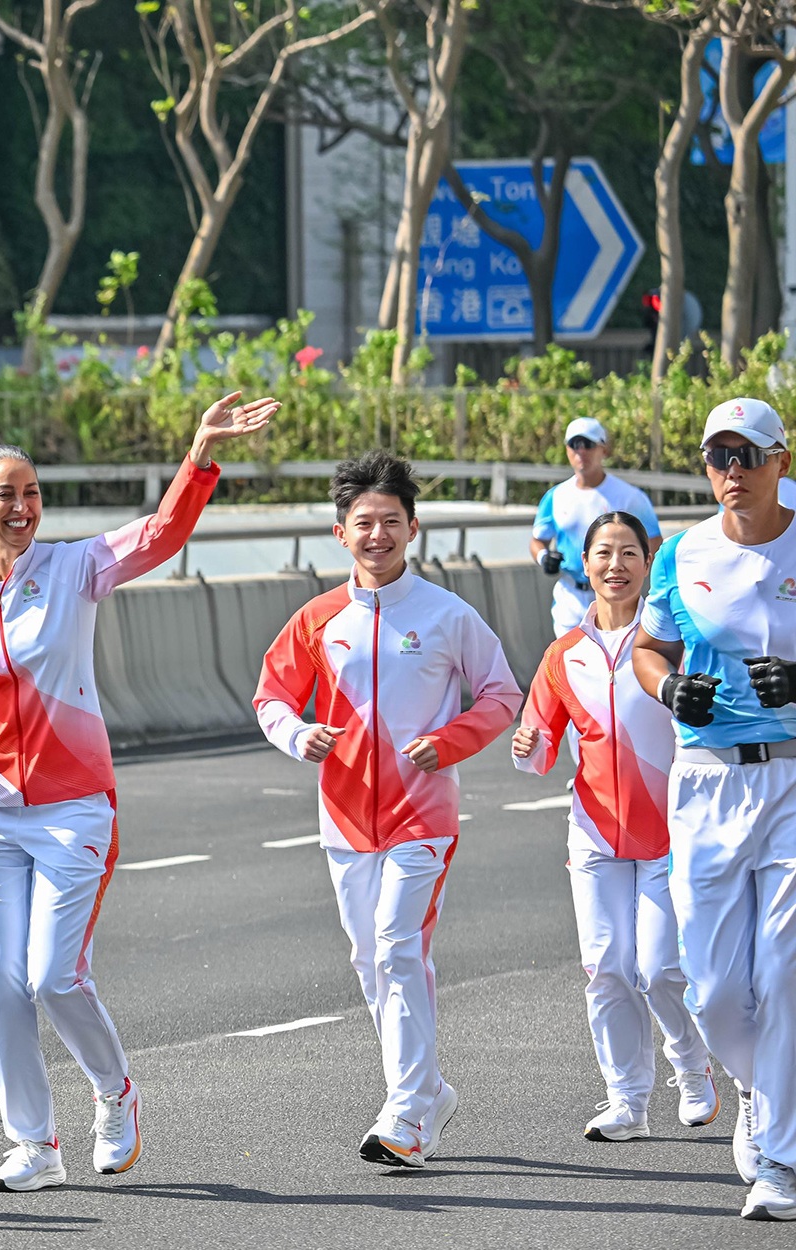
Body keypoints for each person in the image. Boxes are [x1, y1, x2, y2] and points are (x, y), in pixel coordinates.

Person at [0, 392, 280, 1193]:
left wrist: (199, 453)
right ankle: (34, 1145)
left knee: (54, 977)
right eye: (6, 494)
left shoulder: (74, 568)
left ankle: (114, 1092)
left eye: (33, 492)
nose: (23, 507)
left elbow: (161, 534)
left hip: (73, 809)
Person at [255, 450, 521, 1169]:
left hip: (421, 815)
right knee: (370, 958)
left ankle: (405, 1113)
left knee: (399, 947)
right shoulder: (319, 619)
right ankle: (429, 1090)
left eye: (392, 522)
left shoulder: (446, 615)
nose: (378, 535)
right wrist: (298, 734)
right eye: (364, 523)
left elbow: (502, 694)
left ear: (413, 528)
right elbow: (271, 697)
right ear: (341, 533)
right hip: (343, 816)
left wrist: (450, 741)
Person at [633, 397, 796, 1221]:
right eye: (717, 457)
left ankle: (782, 1162)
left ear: (781, 461)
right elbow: (648, 647)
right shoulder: (681, 552)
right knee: (714, 990)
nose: (732, 471)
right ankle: (763, 1089)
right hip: (705, 779)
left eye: (748, 455)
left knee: (785, 969)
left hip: (794, 774)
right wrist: (669, 688)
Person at [512, 511, 719, 1142]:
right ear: (585, 563)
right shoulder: (563, 655)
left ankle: (692, 1065)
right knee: (605, 968)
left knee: (659, 970)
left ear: (648, 561)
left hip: (668, 832)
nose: (616, 565)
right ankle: (626, 1099)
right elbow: (539, 748)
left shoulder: (669, 647)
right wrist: (526, 745)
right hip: (596, 833)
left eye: (629, 552)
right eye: (603, 553)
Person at [532, 417, 663, 636]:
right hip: (571, 598)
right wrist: (543, 557)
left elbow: (654, 542)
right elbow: (538, 540)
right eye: (574, 444)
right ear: (567, 449)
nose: (581, 451)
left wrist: (628, 573)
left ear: (604, 449)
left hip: (617, 595)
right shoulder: (556, 496)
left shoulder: (630, 497)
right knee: (570, 657)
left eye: (588, 444)